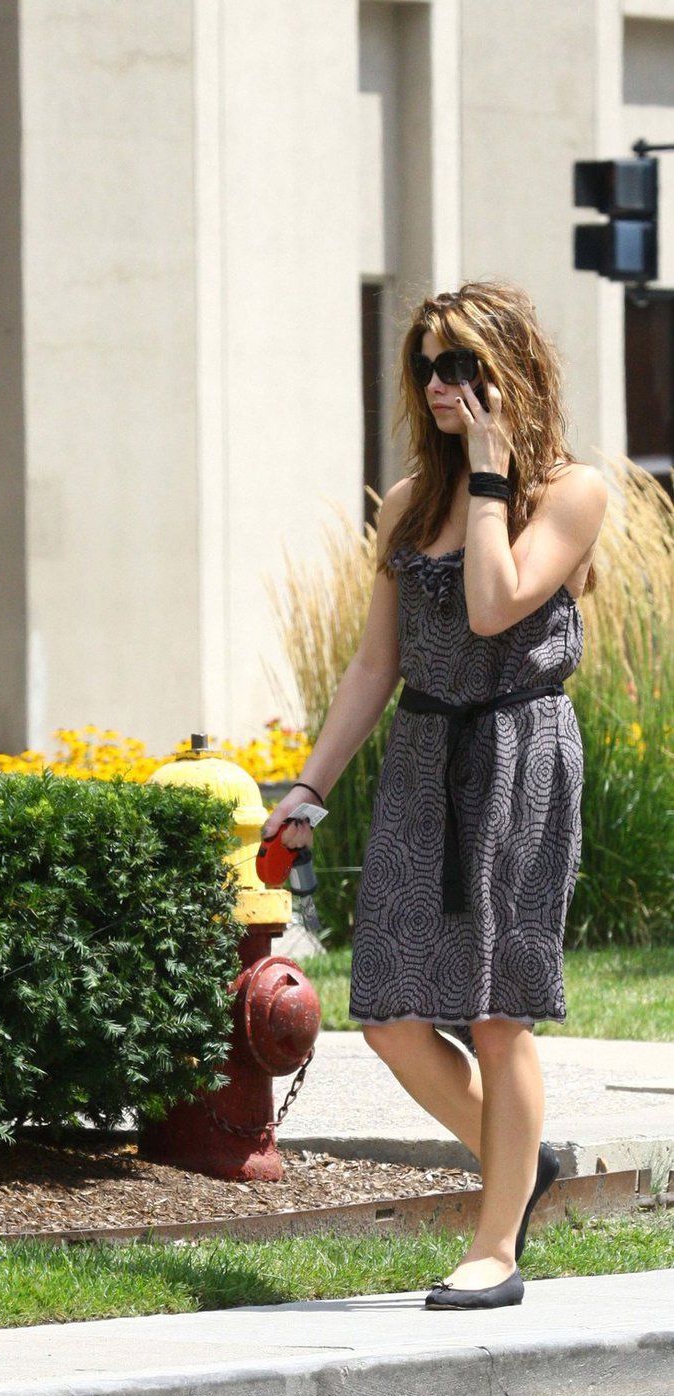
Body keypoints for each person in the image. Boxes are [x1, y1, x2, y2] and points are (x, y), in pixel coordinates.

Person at [262, 280, 607, 1310]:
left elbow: (496, 604)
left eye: (463, 363)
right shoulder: (413, 499)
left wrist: (496, 477)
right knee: (393, 1014)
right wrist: (307, 786)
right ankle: (518, 1160)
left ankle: (494, 1244)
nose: (443, 384)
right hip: (424, 756)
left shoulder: (569, 492)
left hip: (517, 752)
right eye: (428, 365)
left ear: (511, 370)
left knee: (498, 1013)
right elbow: (375, 664)